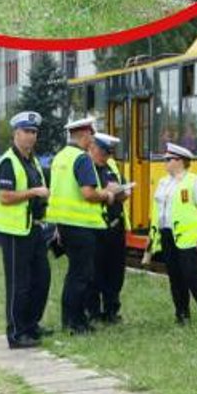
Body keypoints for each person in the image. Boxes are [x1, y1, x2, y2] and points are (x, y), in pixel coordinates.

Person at [47, 116, 115, 335]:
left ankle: (69, 320)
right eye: (91, 137)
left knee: (73, 275)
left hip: (64, 224)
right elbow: (88, 193)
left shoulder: (59, 157)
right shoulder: (81, 159)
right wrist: (107, 194)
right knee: (82, 276)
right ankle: (76, 323)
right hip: (82, 225)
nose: (92, 142)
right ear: (84, 135)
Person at [0, 111, 51, 349]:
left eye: (34, 132)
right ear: (16, 134)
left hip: (33, 228)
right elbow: (5, 197)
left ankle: (31, 324)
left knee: (41, 278)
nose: (31, 137)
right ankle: (16, 332)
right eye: (27, 132)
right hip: (14, 231)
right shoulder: (8, 162)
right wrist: (34, 193)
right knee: (19, 283)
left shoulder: (32, 161)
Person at [151, 143, 197, 325]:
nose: (165, 162)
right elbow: (158, 211)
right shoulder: (163, 182)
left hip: (187, 237)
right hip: (167, 234)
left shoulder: (195, 181)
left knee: (193, 277)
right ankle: (182, 315)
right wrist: (153, 237)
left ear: (179, 161)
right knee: (175, 278)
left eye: (168, 159)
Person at [87, 133, 130, 325]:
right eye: (103, 152)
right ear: (93, 148)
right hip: (96, 227)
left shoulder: (111, 166)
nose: (106, 157)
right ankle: (94, 312)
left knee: (115, 271)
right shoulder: (86, 166)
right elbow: (88, 193)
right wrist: (108, 193)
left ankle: (112, 310)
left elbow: (123, 189)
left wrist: (122, 191)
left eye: (109, 153)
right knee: (95, 271)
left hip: (115, 225)